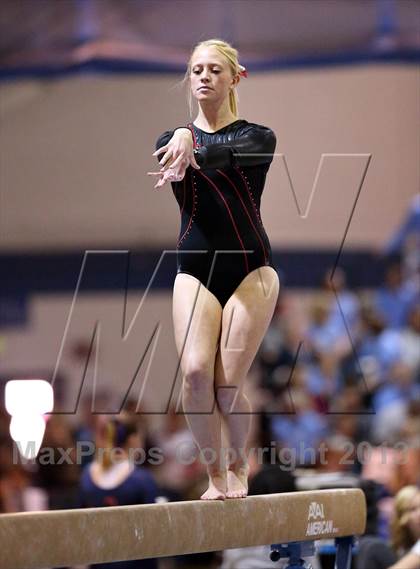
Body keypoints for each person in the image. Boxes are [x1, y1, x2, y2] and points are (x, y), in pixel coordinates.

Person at [148, 38, 279, 500]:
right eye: (196, 70)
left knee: (227, 388)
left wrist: (192, 139)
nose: (204, 76)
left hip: (251, 273)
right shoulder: (169, 142)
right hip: (195, 272)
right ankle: (216, 474)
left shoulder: (258, 136)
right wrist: (182, 137)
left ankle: (240, 464)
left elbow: (223, 155)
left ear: (234, 78)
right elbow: (181, 158)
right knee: (197, 374)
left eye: (214, 70)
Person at [79, 413, 159, 569]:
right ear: (133, 440)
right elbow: (154, 531)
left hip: (99, 561)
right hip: (134, 563)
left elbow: (81, 526)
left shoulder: (87, 474)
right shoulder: (142, 480)